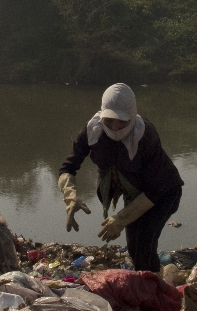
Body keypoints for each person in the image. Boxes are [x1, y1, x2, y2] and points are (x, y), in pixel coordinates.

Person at [58, 83, 184, 272]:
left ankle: (153, 291)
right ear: (102, 115)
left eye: (122, 121)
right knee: (134, 247)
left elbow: (155, 189)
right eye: (109, 120)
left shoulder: (144, 135)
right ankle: (147, 284)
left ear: (132, 117)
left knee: (143, 242)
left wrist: (121, 218)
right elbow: (68, 167)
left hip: (163, 192)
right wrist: (70, 196)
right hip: (133, 193)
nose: (115, 127)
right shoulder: (93, 131)